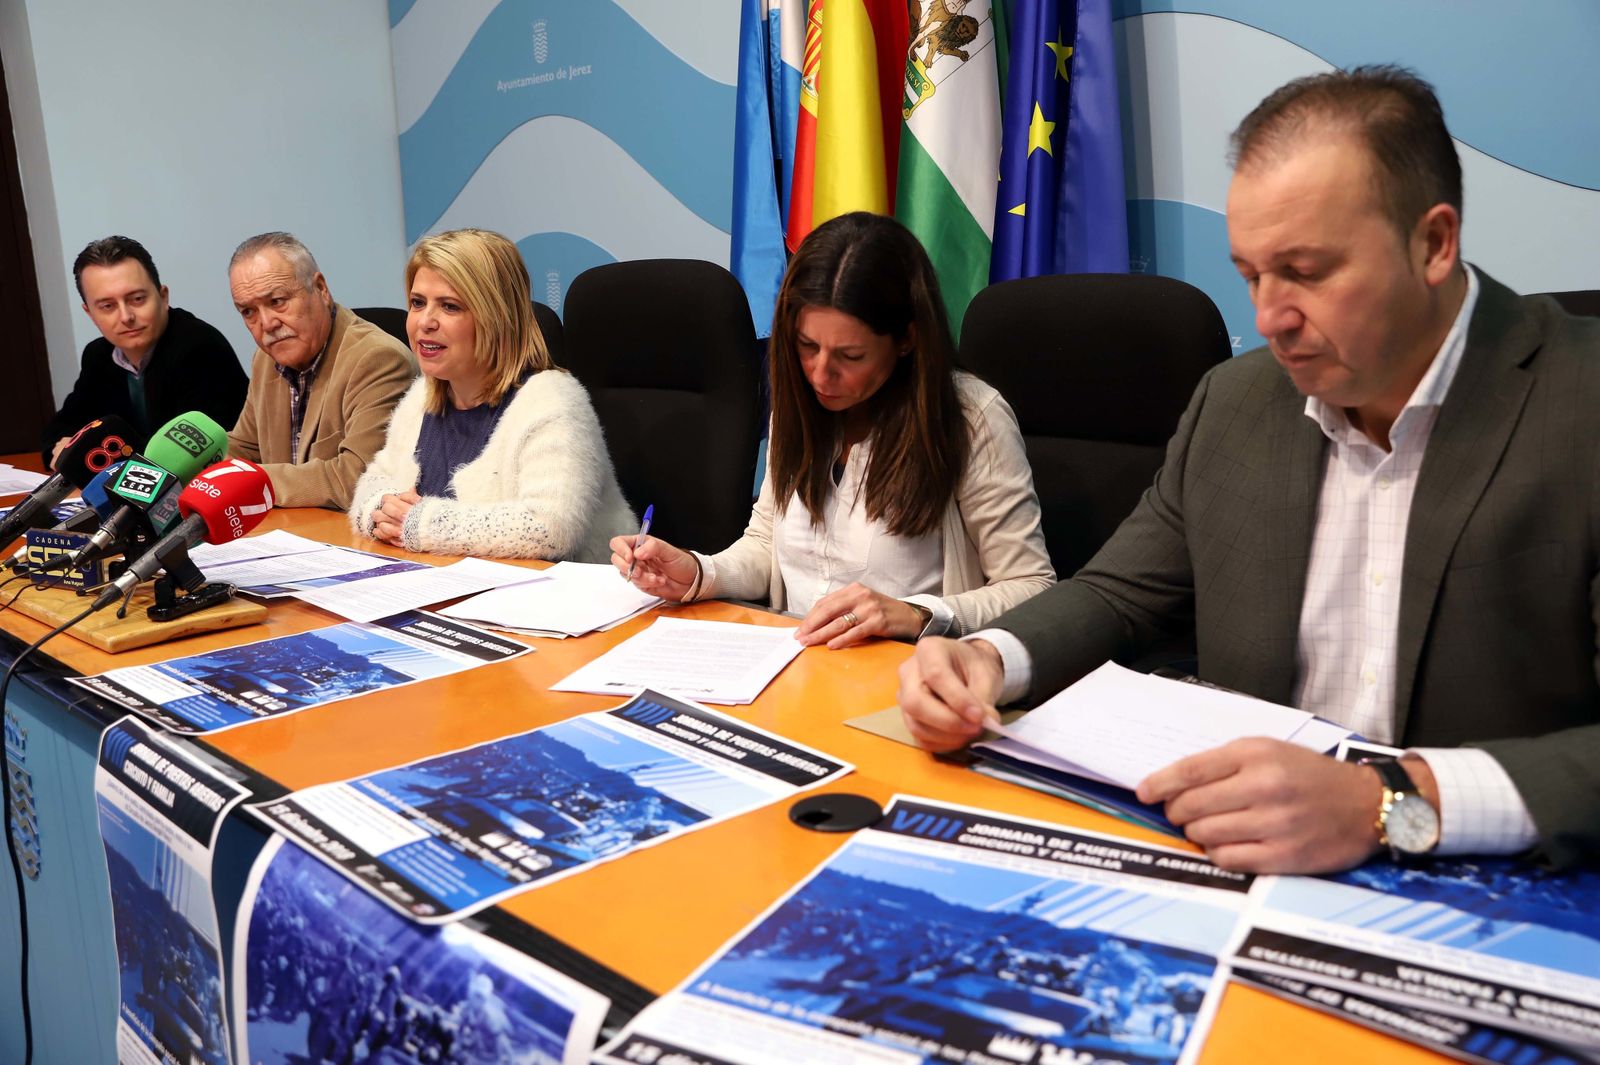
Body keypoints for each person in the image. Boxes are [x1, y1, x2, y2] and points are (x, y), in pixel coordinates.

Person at [898, 66, 1600, 873]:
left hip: (1505, 889)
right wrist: (989, 656)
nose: (1270, 319)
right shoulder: (1236, 402)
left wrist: (1389, 801)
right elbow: (1119, 591)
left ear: (1434, 244)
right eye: (1251, 275)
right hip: (1243, 864)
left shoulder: (1580, 404)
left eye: (1305, 271)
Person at [613, 212, 1054, 646]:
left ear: (907, 339)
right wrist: (697, 572)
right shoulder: (799, 402)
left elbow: (1032, 585)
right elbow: (767, 544)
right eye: (807, 346)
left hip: (911, 680)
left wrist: (916, 613)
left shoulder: (971, 417)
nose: (821, 375)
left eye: (851, 355)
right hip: (797, 668)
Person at [349, 228, 634, 560]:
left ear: (496, 316)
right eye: (417, 303)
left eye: (450, 306)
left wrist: (419, 522)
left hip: (567, 601)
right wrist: (378, 510)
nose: (425, 321)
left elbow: (550, 530)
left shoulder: (552, 400)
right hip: (452, 590)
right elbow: (375, 480)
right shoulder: (421, 395)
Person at [227, 232, 414, 509]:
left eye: (277, 301)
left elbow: (356, 479)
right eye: (248, 312)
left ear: (321, 289)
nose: (266, 323)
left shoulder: (379, 360)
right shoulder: (265, 361)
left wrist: (249, 481)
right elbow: (244, 449)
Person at [42, 235, 245, 466]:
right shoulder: (99, 355)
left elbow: (180, 457)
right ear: (90, 313)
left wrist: (83, 455)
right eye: (108, 306)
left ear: (163, 296)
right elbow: (59, 430)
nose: (126, 317)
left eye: (137, 299)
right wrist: (68, 451)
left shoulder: (201, 347)